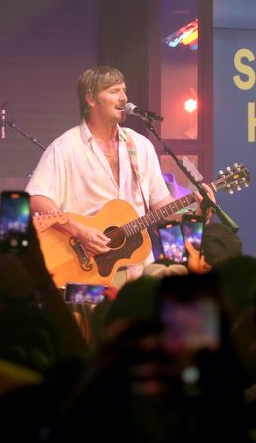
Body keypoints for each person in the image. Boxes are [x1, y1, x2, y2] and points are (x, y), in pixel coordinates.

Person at [28, 66, 208, 283]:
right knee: (94, 318)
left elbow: (162, 205)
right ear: (91, 99)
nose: (123, 97)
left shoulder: (141, 146)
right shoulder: (66, 147)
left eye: (124, 90)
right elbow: (36, 199)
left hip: (138, 269)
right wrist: (79, 230)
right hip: (88, 271)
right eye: (114, 91)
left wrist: (195, 211)